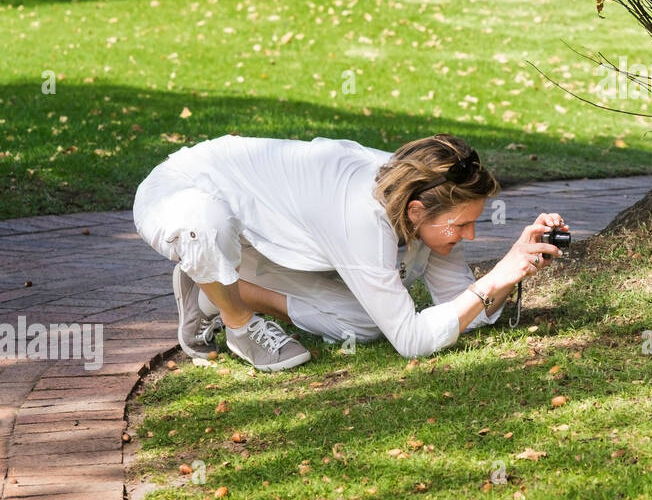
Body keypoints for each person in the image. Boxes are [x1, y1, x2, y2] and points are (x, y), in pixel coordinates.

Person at [132, 132, 567, 370]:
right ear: (416, 211)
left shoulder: (428, 199)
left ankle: (212, 289)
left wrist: (514, 267)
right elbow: (413, 342)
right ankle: (239, 323)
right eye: (462, 225)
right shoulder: (363, 216)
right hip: (183, 193)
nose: (470, 237)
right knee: (206, 228)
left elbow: (467, 311)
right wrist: (495, 276)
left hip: (258, 232)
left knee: (364, 324)